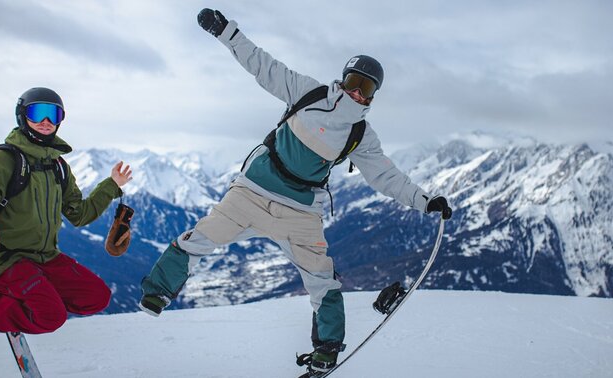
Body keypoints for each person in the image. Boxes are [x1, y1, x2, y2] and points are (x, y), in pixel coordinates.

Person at [138, 8, 453, 377]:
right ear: (343, 78)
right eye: (353, 80)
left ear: (372, 97)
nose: (355, 91)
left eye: (365, 88)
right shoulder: (307, 92)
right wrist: (225, 31)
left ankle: (327, 350)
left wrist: (425, 199)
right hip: (252, 191)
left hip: (301, 212)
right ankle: (158, 291)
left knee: (323, 279)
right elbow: (261, 64)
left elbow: (386, 176)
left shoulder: (361, 136)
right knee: (202, 237)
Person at [0, 87, 133, 369]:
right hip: (7, 259)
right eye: (36, 112)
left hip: (46, 258)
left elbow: (79, 214)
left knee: (96, 297)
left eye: (53, 114)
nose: (45, 121)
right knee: (50, 316)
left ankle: (27, 300)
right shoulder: (5, 158)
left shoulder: (59, 166)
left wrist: (111, 185)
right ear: (22, 116)